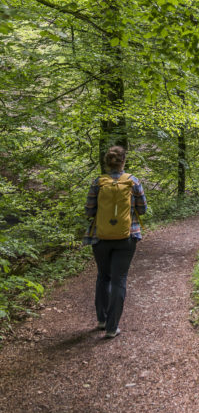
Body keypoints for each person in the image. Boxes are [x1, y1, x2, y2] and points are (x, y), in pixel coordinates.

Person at [83, 145, 147, 338]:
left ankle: (101, 320)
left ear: (106, 162)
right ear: (123, 162)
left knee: (103, 276)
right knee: (119, 279)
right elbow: (142, 209)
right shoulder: (133, 181)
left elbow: (88, 211)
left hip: (100, 237)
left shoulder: (98, 182)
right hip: (127, 236)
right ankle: (112, 328)